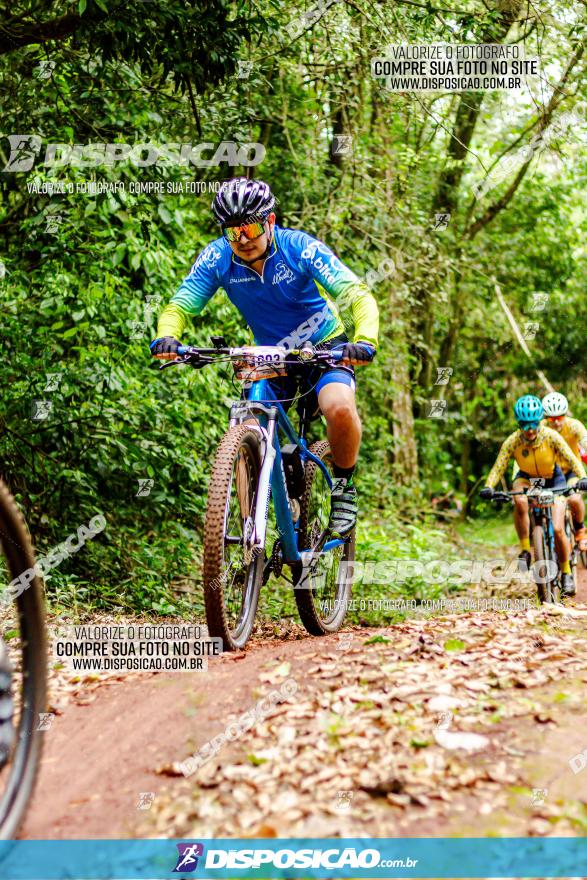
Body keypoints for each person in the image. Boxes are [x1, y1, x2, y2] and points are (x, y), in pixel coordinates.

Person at [150, 177, 379, 538]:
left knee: (338, 406)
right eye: (232, 232)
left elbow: (356, 293)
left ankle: (344, 488)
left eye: (251, 228)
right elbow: (180, 304)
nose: (242, 239)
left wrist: (364, 340)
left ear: (270, 222)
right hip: (270, 355)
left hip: (322, 345)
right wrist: (168, 336)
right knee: (249, 426)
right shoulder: (217, 257)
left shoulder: (298, 247)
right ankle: (247, 533)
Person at [480, 394, 587, 597]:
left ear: (540, 421)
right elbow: (499, 466)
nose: (529, 430)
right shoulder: (512, 441)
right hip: (527, 478)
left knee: (557, 528)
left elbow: (572, 459)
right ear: (519, 424)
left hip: (553, 479)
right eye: (524, 425)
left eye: (533, 424)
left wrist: (582, 476)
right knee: (518, 499)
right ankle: (526, 550)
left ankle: (565, 573)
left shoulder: (551, 436)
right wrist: (488, 486)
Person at [542, 391, 587, 552]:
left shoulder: (574, 426)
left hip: (571, 472)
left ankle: (581, 530)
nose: (556, 422)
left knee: (574, 498)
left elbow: (585, 441)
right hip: (550, 474)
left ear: (565, 415)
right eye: (552, 419)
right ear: (546, 418)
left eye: (560, 417)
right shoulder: (540, 429)